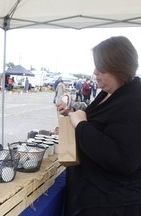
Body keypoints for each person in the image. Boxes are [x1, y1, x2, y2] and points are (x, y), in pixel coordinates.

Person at [56, 36, 141, 216]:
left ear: (118, 67)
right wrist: (72, 114)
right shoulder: (110, 93)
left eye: (101, 67)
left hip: (112, 204)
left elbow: (123, 160)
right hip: (95, 196)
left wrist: (81, 125)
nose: (95, 72)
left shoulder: (134, 102)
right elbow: (102, 124)